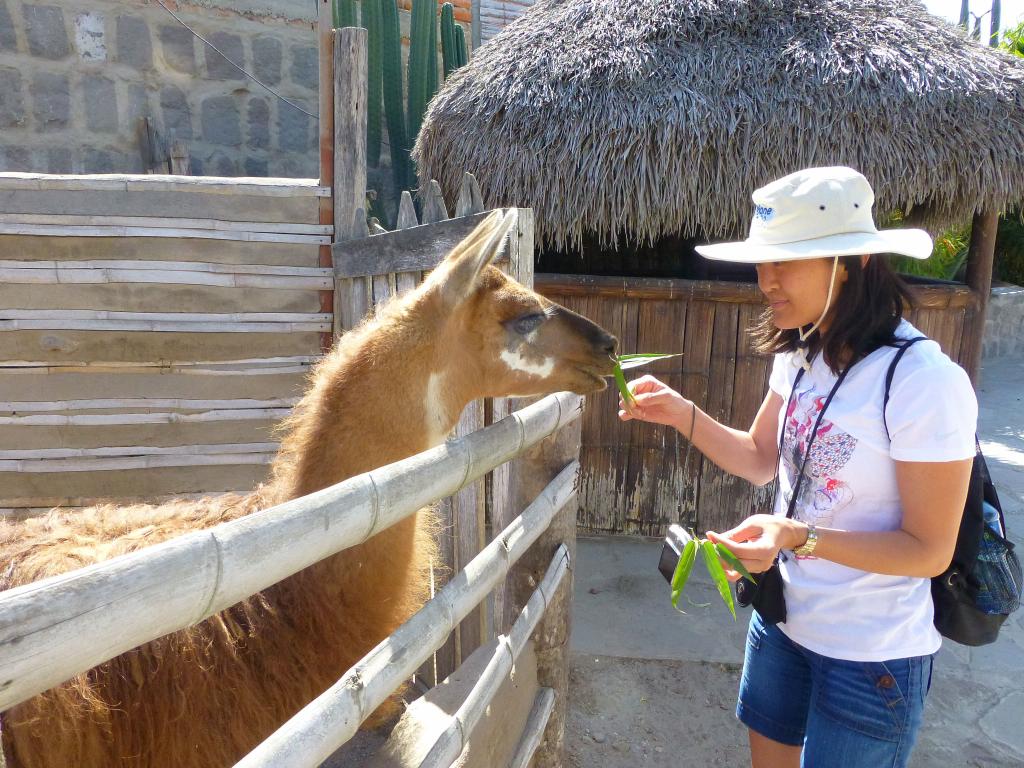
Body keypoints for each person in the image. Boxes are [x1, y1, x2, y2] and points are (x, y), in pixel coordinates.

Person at [620, 167, 977, 768]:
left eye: (786, 261)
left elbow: (929, 550)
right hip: (784, 620)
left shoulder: (923, 382)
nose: (766, 281)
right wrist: (682, 413)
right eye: (762, 262)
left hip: (872, 656)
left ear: (850, 261)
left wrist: (799, 537)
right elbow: (761, 460)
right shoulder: (803, 353)